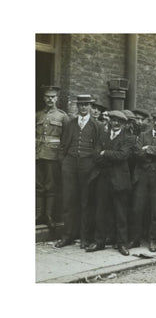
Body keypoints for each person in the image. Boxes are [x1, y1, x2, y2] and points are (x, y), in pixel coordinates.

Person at [55, 95, 101, 248]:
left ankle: (84, 238)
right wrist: (64, 162)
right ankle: (67, 236)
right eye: (81, 105)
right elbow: (63, 145)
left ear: (90, 106)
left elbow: (98, 148)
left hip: (87, 166)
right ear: (77, 106)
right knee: (69, 201)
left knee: (86, 202)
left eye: (86, 105)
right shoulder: (70, 123)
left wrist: (93, 164)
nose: (83, 107)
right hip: (70, 165)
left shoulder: (97, 125)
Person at [86, 111, 133, 256]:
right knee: (100, 211)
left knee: (120, 214)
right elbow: (95, 156)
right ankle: (99, 242)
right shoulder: (103, 136)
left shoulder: (128, 138)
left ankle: (122, 244)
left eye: (119, 121)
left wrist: (105, 153)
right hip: (103, 179)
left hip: (119, 181)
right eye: (113, 120)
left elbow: (123, 155)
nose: (116, 123)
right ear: (110, 121)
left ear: (124, 124)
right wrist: (107, 155)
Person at [129, 111, 156, 252]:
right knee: (137, 208)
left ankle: (153, 239)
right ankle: (135, 239)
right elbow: (137, 152)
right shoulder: (143, 135)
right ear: (153, 121)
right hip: (142, 175)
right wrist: (155, 152)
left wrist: (147, 149)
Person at [36, 86, 69, 232]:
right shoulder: (37, 115)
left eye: (52, 97)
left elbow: (66, 138)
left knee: (51, 186)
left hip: (53, 156)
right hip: (37, 154)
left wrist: (61, 156)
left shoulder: (63, 116)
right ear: (44, 98)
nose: (50, 99)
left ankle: (49, 216)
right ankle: (37, 215)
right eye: (47, 96)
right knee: (37, 186)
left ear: (57, 98)